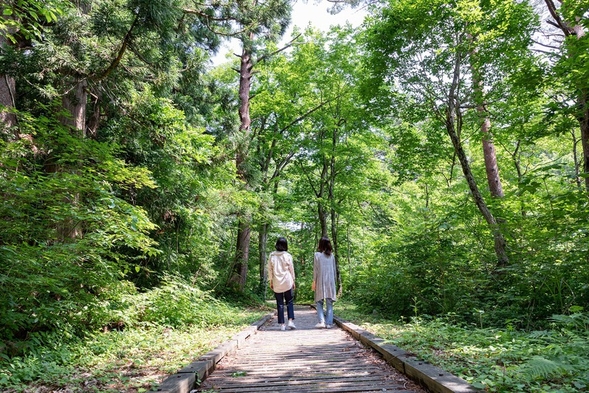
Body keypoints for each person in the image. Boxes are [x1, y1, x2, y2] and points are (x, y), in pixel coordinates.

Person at [267, 237, 296, 331]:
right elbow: (291, 269)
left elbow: (269, 270)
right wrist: (293, 280)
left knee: (280, 303)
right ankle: (290, 321)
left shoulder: (272, 255)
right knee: (289, 302)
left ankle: (282, 324)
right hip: (287, 281)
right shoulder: (288, 255)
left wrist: (271, 281)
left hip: (277, 282)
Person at [312, 236, 337, 329]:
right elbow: (334, 271)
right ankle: (329, 323)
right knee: (329, 303)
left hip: (320, 282)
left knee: (319, 302)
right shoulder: (332, 256)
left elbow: (316, 270)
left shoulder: (317, 255)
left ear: (320, 244)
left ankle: (321, 321)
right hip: (330, 283)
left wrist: (314, 281)